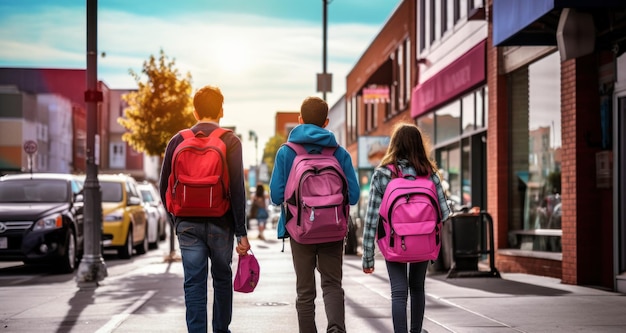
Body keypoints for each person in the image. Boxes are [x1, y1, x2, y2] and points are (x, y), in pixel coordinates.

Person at [159, 85, 250, 333]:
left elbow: (163, 185)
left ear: (195, 111)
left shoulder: (178, 140)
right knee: (222, 279)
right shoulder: (230, 141)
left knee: (194, 283)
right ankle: (221, 330)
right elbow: (237, 191)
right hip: (222, 222)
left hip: (187, 223)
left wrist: (175, 220)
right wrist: (241, 231)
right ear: (221, 110)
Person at [269, 96, 360, 333]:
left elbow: (276, 196)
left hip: (300, 230)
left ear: (300, 120)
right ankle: (337, 329)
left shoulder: (286, 153)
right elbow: (355, 195)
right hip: (333, 229)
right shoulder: (339, 153)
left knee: (305, 291)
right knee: (332, 284)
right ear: (326, 122)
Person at [361, 123, 450, 333]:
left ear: (394, 145)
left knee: (399, 293)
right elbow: (444, 213)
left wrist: (368, 257)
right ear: (420, 146)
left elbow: (372, 217)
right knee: (417, 288)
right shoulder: (430, 174)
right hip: (423, 241)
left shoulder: (383, 173)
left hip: (394, 241)